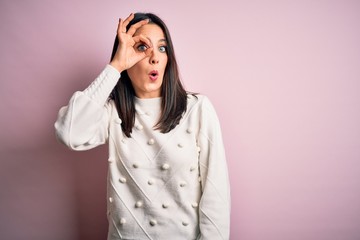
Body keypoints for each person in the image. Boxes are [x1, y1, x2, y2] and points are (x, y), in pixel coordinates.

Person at [55, 12, 230, 240]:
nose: (154, 58)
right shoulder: (112, 113)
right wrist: (115, 67)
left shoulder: (197, 109)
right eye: (141, 48)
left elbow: (216, 193)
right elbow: (70, 133)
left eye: (162, 48)